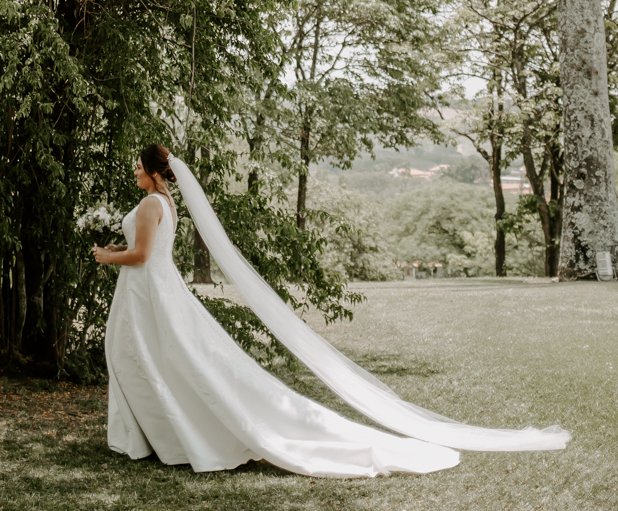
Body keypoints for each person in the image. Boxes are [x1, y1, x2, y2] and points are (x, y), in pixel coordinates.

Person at [93, 143, 570, 478]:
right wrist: (123, 247)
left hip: (147, 290)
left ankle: (170, 437)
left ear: (154, 172)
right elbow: (146, 249)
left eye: (138, 167)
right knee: (152, 360)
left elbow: (140, 256)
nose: (134, 172)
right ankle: (154, 436)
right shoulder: (164, 202)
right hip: (151, 290)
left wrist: (107, 256)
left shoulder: (152, 203)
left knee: (158, 360)